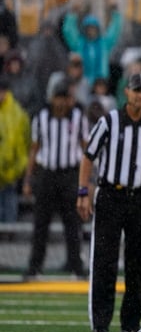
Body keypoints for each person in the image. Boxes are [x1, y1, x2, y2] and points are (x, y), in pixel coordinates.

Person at [77, 72, 141, 332]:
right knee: (105, 261)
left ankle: (130, 325)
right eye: (137, 91)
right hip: (110, 194)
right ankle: (100, 325)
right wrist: (83, 191)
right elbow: (88, 156)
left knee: (137, 263)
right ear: (126, 92)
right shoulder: (109, 121)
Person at [23, 78, 89, 279]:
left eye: (64, 98)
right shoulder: (41, 117)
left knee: (73, 223)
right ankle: (35, 266)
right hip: (47, 174)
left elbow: (86, 148)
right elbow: (35, 150)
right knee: (41, 223)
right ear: (51, 98)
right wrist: (28, 179)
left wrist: (88, 179)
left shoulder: (78, 117)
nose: (61, 102)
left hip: (70, 174)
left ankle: (75, 266)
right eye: (58, 98)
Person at [0, 75, 29, 223]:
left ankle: (9, 234)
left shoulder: (17, 113)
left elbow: (24, 142)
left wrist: (18, 167)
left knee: (10, 203)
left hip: (11, 170)